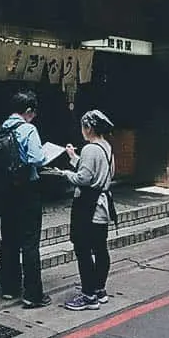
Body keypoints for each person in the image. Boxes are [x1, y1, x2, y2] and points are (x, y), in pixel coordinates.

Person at [0, 91, 50, 307]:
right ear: (27, 111)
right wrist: (44, 155)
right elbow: (36, 158)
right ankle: (32, 294)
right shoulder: (28, 129)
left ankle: (9, 288)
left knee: (9, 239)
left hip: (6, 191)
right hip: (27, 190)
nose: (33, 117)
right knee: (30, 242)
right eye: (32, 113)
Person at [57, 110, 116, 311]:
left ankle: (88, 296)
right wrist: (74, 157)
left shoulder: (91, 149)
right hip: (103, 206)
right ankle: (100, 289)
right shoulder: (106, 147)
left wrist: (64, 173)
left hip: (88, 205)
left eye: (83, 127)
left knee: (82, 249)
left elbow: (84, 178)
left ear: (88, 128)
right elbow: (95, 171)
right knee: (100, 248)